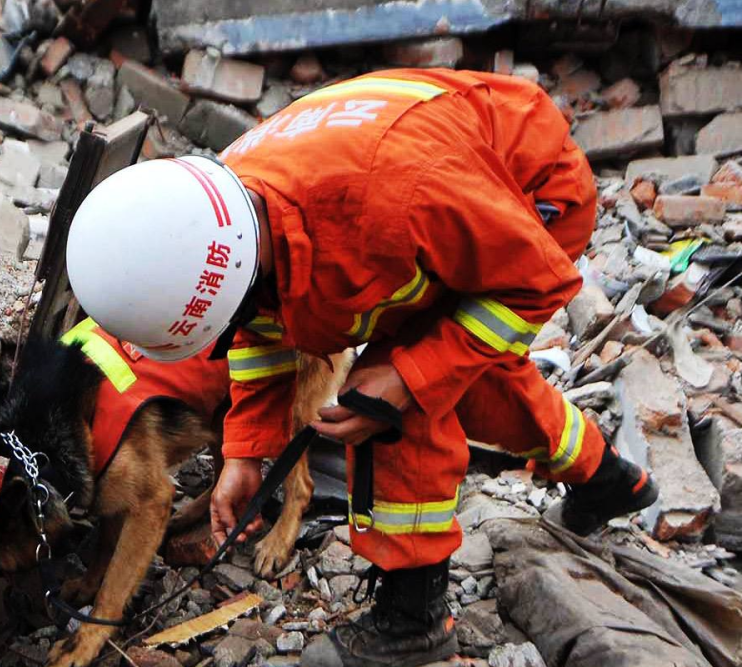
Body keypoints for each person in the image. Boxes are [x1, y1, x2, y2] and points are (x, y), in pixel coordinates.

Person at [66, 69, 659, 667]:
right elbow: (262, 323)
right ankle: (609, 479)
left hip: (530, 193)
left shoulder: (397, 202)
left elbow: (539, 281)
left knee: (396, 400)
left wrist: (408, 379)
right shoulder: (222, 211)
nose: (240, 323)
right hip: (447, 176)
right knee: (479, 383)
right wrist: (246, 450)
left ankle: (414, 619)